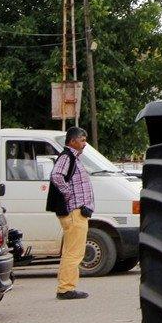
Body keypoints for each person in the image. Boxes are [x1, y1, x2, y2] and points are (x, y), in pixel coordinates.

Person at [50, 126, 94, 299]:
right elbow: (56, 175)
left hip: (77, 212)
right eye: (82, 140)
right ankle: (66, 288)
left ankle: (65, 286)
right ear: (72, 141)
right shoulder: (67, 157)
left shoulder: (74, 158)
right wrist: (69, 194)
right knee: (74, 253)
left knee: (71, 251)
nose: (84, 143)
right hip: (75, 212)